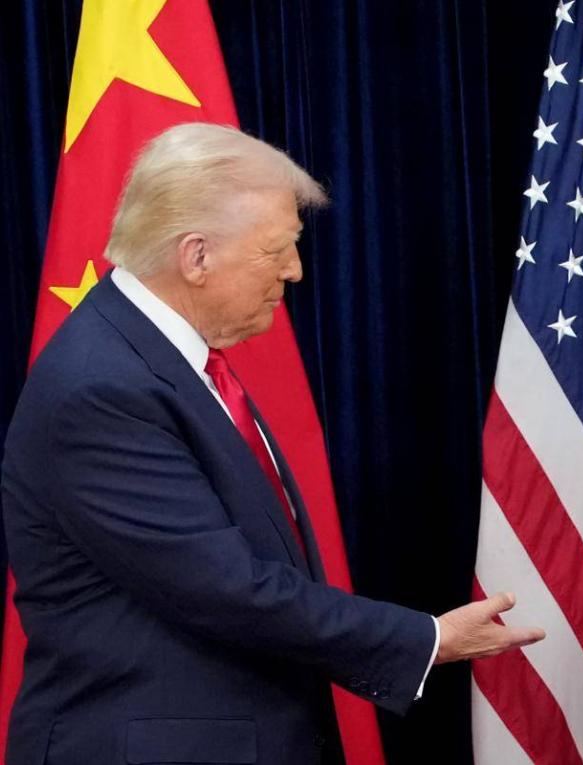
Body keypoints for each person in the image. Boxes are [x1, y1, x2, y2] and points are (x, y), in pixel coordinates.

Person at [0, 123, 544, 764]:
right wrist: (425, 639)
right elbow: (223, 588)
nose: (294, 270)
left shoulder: (165, 361)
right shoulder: (102, 388)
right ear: (196, 257)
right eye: (277, 249)